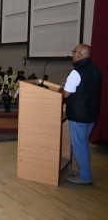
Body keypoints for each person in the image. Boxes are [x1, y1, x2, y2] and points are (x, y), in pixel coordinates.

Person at [62, 44, 101, 185]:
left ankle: (85, 176)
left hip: (79, 115)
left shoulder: (76, 72)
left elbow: (66, 93)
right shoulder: (96, 70)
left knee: (80, 145)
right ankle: (84, 172)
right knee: (83, 144)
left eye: (74, 52)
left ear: (79, 55)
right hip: (91, 114)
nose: (72, 54)